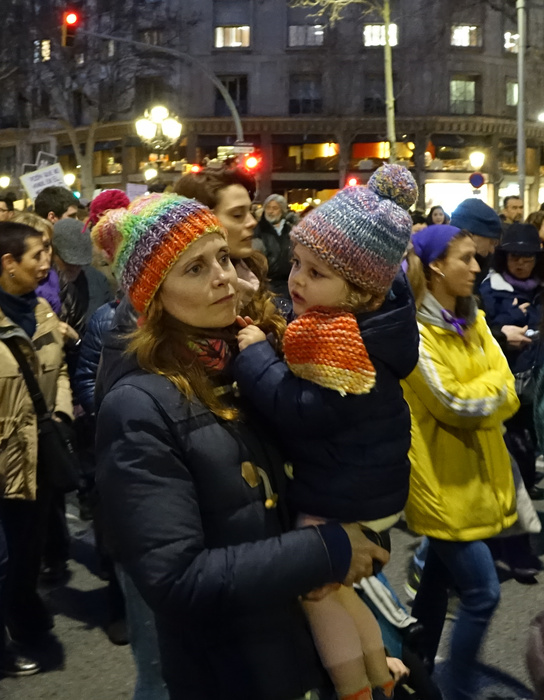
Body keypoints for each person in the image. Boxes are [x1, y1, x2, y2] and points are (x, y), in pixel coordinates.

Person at [93, 193, 389, 700]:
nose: (224, 278)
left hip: (304, 644)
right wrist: (328, 549)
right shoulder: (138, 406)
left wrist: (365, 526)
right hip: (234, 668)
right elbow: (176, 578)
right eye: (195, 269)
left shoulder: (253, 358)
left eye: (223, 258)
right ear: (154, 296)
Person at [233, 165, 419, 700]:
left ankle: (353, 689)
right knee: (338, 591)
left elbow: (300, 410)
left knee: (316, 592)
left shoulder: (342, 343)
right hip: (365, 485)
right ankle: (379, 676)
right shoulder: (365, 324)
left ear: (359, 290)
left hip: (342, 495)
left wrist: (257, 359)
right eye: (297, 262)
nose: (296, 280)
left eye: (316, 272)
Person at [403, 224, 519, 700]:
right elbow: (454, 402)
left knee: (434, 589)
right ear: (435, 267)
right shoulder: (414, 332)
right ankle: (458, 687)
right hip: (442, 482)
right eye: (465, 258)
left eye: (476, 256)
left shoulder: (474, 319)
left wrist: (492, 392)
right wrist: (494, 392)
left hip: (477, 475)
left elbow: (510, 387)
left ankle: (418, 676)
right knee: (482, 593)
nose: (477, 267)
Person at [0, 221, 72, 666]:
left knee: (28, 550)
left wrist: (60, 414)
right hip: (4, 456)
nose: (47, 262)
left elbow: (59, 369)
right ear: (8, 263)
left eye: (47, 252)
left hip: (40, 453)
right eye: (37, 255)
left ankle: (23, 618)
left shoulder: (43, 309)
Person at [480, 223, 544, 502]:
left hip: (536, 378)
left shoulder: (540, 287)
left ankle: (526, 483)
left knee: (532, 435)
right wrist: (513, 317)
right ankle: (519, 490)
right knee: (513, 438)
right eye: (515, 257)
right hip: (507, 376)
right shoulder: (490, 289)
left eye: (527, 257)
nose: (520, 263)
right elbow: (485, 328)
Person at [254, 193, 294, 298]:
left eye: (275, 208)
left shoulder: (290, 230)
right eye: (268, 207)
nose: (270, 211)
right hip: (268, 284)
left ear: (282, 210)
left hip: (288, 283)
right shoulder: (258, 230)